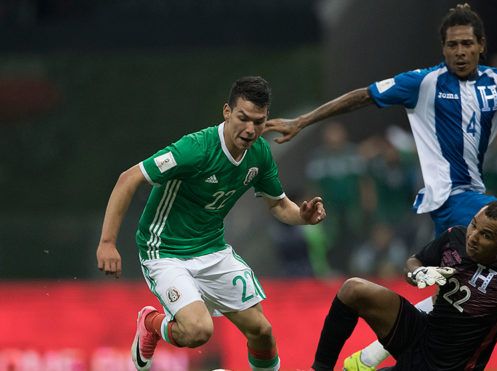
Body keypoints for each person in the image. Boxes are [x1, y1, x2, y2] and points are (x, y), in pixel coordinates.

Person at [265, 3, 497, 367]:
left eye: (467, 43)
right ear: (443, 49)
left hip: (473, 194)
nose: (460, 51)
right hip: (452, 199)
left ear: (481, 45)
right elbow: (362, 95)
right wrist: (304, 120)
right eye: (452, 45)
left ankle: (365, 360)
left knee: (453, 292)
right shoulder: (424, 82)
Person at [96, 76, 326, 371]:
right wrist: (107, 242)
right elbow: (128, 179)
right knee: (198, 332)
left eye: (258, 121)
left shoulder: (259, 154)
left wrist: (302, 217)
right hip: (165, 251)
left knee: (262, 331)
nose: (250, 129)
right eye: (243, 118)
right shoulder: (195, 149)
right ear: (227, 112)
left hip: (213, 249)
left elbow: (279, 205)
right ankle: (151, 322)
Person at [312, 201, 497, 371]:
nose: (473, 236)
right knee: (353, 288)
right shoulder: (454, 238)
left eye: (486, 235)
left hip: (450, 365)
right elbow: (413, 263)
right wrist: (417, 272)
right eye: (474, 225)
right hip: (420, 335)